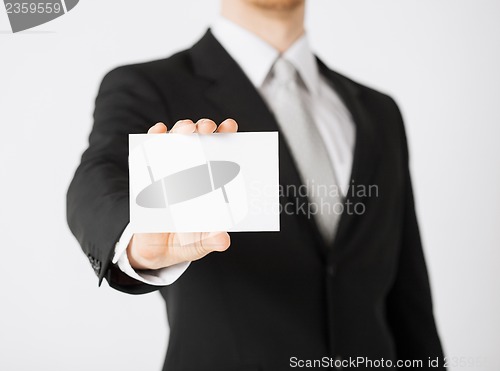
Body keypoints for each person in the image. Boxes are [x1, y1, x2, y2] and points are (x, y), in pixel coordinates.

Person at [67, 0, 445, 369]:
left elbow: (409, 297)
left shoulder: (379, 112)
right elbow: (95, 179)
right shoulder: (149, 86)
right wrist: (136, 241)